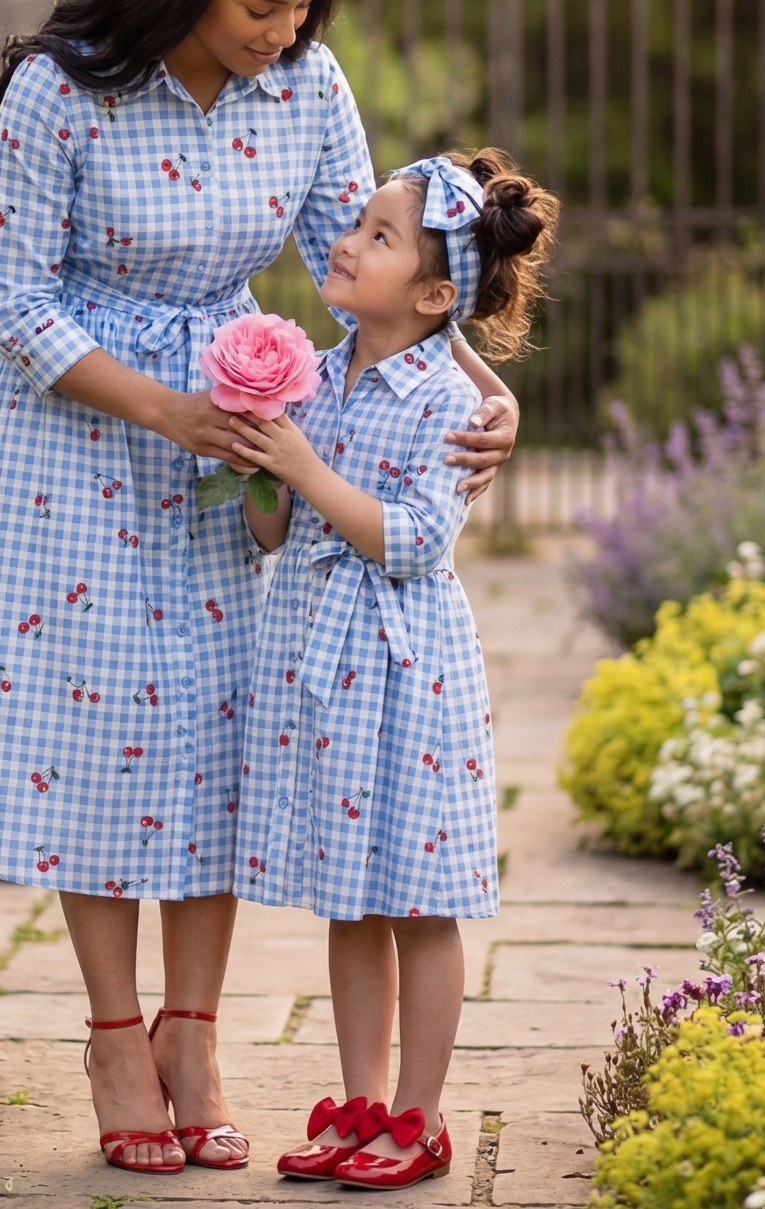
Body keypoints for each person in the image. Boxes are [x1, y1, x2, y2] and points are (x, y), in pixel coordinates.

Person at [0, 0, 520, 1177]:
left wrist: (493, 393)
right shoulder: (58, 92)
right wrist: (165, 408)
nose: (279, 26)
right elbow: (13, 298)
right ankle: (113, 1036)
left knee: (219, 727)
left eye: (299, 3)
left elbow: (388, 265)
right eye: (254, 3)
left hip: (251, 427)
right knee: (103, 731)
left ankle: (196, 1035)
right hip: (83, 435)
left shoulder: (304, 80)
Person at [228, 149, 558, 1190]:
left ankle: (419, 1116)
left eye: (376, 235)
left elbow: (410, 540)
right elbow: (276, 532)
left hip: (404, 673)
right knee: (350, 898)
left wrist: (303, 467)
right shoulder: (318, 373)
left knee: (417, 901)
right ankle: (360, 1101)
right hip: (319, 666)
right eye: (356, 224)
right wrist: (251, 459)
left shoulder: (451, 403)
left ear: (433, 294)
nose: (344, 240)